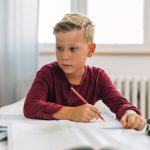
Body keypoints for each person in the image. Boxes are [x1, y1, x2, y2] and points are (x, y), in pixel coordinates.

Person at [24, 13, 146, 130]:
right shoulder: (47, 73)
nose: (64, 56)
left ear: (90, 50)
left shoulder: (98, 77)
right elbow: (31, 106)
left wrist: (130, 114)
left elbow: (120, 104)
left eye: (73, 49)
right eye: (59, 48)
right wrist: (73, 113)